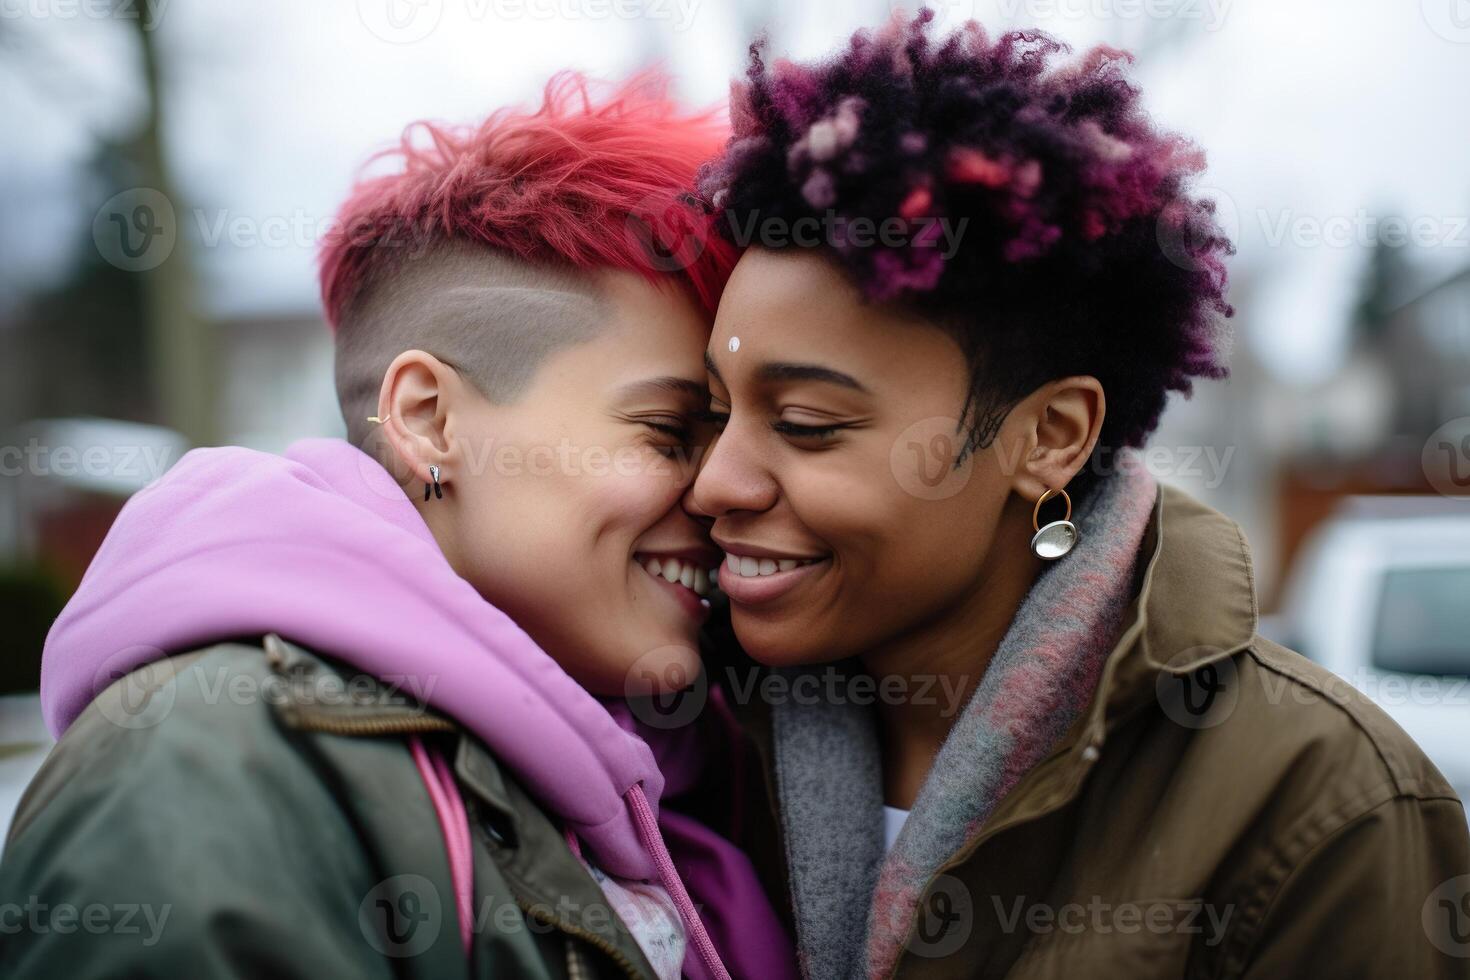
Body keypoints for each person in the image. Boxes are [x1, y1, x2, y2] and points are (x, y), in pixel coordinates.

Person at [685, 12, 1470, 978]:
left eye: (808, 425)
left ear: (1049, 438)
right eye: (710, 415)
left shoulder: (1323, 809)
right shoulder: (680, 741)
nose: (715, 482)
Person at [0, 71, 795, 980]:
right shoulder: (205, 773)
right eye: (666, 432)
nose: (722, 487)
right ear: (427, 420)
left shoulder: (694, 779)